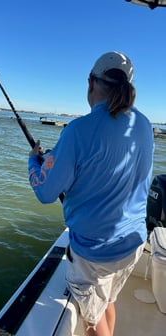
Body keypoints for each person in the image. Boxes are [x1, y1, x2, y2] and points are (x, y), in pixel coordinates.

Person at [28, 51, 154, 336]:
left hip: (95, 255)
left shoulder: (77, 131)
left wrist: (34, 161)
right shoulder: (145, 125)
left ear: (91, 83)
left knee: (93, 323)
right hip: (133, 244)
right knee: (108, 300)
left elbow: (46, 192)